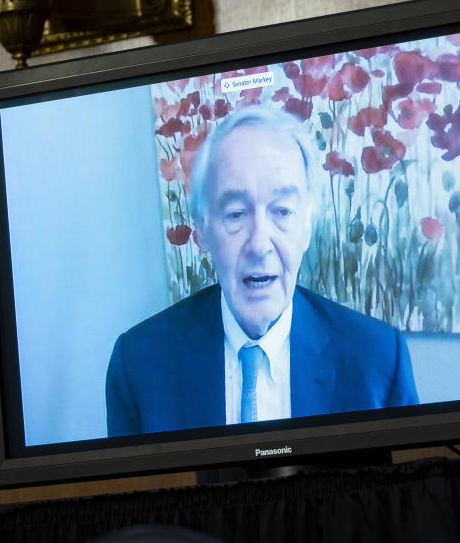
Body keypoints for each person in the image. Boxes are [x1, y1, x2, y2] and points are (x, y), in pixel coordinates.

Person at [106, 107, 418, 437]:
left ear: (307, 226)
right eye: (236, 213)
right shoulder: (139, 364)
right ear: (202, 229)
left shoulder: (378, 359)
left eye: (282, 211)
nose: (259, 245)